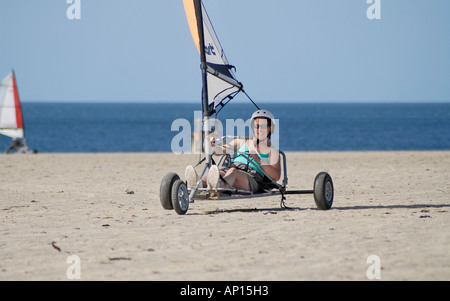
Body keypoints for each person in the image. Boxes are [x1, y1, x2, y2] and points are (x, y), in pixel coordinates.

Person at [185, 109, 281, 193]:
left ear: (270, 128)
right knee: (219, 172)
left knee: (233, 172)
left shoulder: (273, 151)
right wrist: (212, 146)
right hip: (230, 171)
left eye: (263, 126)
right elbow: (220, 151)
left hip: (252, 178)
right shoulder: (241, 141)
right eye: (257, 126)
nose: (259, 130)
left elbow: (276, 176)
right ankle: (198, 183)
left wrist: (259, 160)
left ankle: (217, 187)